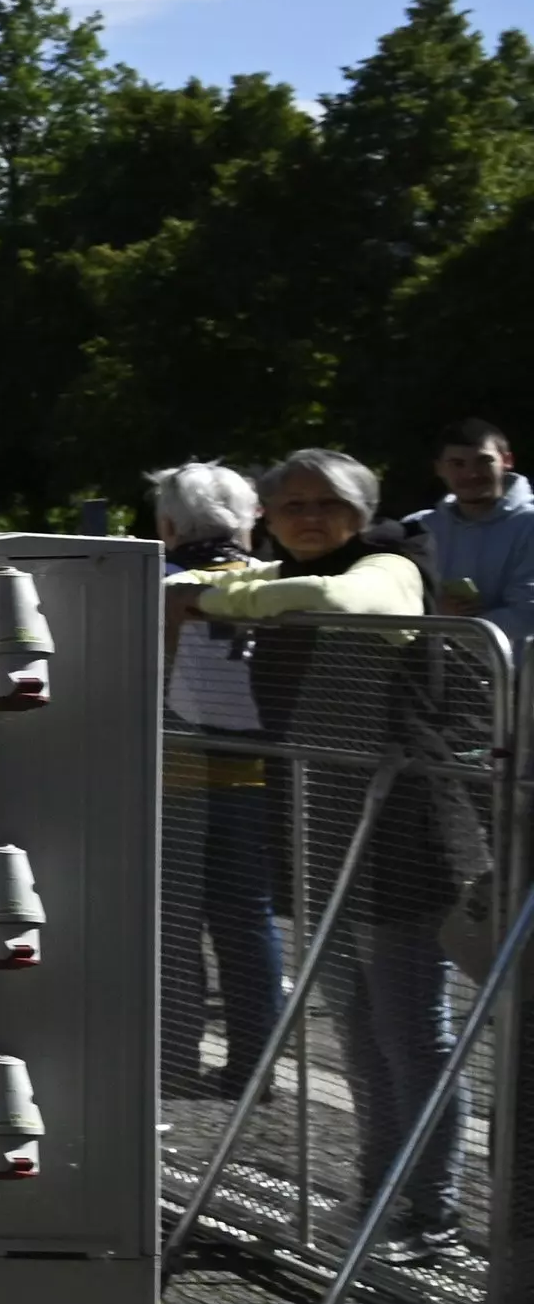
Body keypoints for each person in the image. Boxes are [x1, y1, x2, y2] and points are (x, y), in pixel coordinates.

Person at [193, 448, 468, 1246]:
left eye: (328, 503)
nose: (310, 517)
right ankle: (380, 1194)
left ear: (361, 508)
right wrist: (232, 592)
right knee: (355, 1026)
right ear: (267, 518)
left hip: (400, 840)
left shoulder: (389, 562)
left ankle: (434, 1209)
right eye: (292, 506)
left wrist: (223, 594)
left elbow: (333, 600)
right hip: (319, 836)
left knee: (411, 1030)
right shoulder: (275, 575)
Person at [153, 460, 285, 1097]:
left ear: (169, 524)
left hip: (170, 777)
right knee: (247, 924)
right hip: (256, 777)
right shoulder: (274, 579)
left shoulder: (154, 582)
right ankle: (254, 1064)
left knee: (172, 925)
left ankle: (172, 1058)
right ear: (250, 518)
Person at [401, 418, 534, 640]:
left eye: (484, 461)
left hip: (514, 672)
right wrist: (434, 611)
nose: (471, 474)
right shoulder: (417, 527)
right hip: (426, 670)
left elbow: (527, 615)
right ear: (439, 469)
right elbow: (393, 602)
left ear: (507, 461)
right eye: (457, 464)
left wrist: (445, 624)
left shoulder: (529, 524)